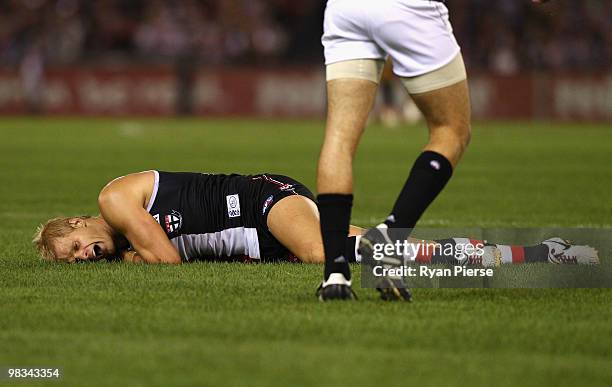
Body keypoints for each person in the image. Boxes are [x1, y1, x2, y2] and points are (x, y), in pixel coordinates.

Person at [315, 0, 553, 301]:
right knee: (452, 130)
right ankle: (390, 236)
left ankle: (335, 275)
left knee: (339, 136)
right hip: (406, 8)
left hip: (345, 8)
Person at [33, 170, 597, 276]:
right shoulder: (120, 235)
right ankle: (535, 254)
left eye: (76, 245)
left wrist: (135, 257)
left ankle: (540, 255)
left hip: (258, 202)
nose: (85, 256)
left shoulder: (113, 200)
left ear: (83, 221)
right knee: (375, 248)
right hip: (256, 241)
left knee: (325, 257)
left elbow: (167, 259)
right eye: (75, 261)